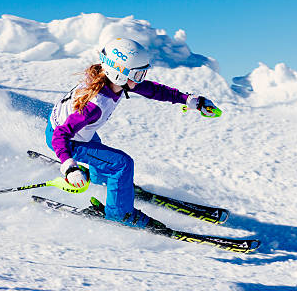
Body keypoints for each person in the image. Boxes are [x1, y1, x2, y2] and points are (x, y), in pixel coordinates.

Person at [45, 37, 218, 230]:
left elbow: (153, 90)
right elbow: (60, 135)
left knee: (104, 157)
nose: (141, 79)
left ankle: (112, 184)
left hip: (77, 133)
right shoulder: (96, 105)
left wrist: (188, 100)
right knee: (122, 164)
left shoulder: (110, 81)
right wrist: (69, 166)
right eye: (138, 74)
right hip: (67, 141)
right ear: (118, 73)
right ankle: (119, 213)